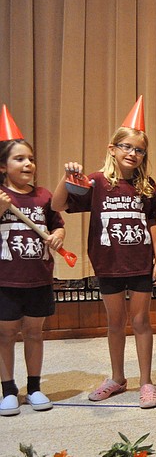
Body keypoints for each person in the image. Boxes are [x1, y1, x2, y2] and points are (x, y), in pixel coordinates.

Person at [52, 96, 156, 409]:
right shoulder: (96, 182)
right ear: (112, 148)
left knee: (141, 321)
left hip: (140, 263)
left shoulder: (147, 187)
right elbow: (58, 205)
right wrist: (67, 178)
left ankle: (146, 381)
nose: (133, 153)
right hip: (108, 264)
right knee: (115, 322)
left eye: (139, 149)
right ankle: (117, 377)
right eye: (126, 147)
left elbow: (153, 222)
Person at [0, 106, 65, 416]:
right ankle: (9, 389)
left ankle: (35, 387)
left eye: (30, 158)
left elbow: (58, 223)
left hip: (39, 277)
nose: (28, 163)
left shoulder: (42, 195)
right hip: (6, 280)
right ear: (3, 166)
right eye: (19, 158)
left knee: (35, 332)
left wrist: (58, 236)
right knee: (6, 334)